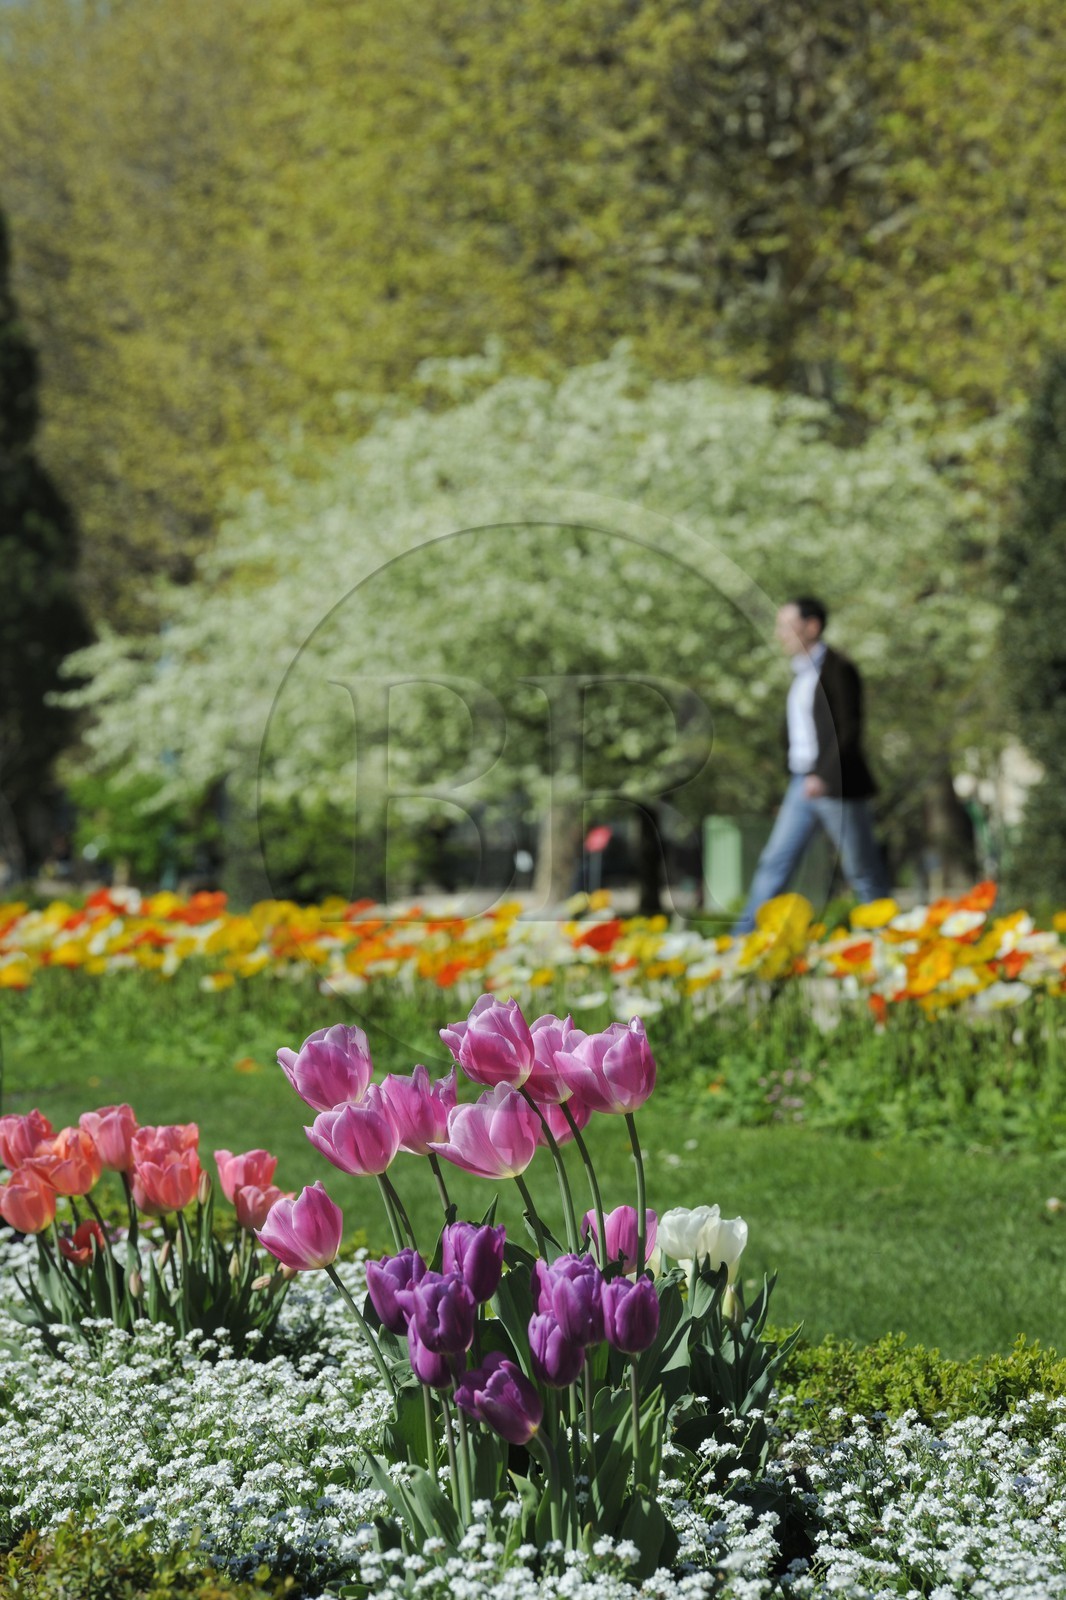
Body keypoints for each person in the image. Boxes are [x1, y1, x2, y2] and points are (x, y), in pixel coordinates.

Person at [733, 597, 889, 935]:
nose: (779, 635)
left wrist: (823, 775)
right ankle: (740, 944)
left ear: (812, 626)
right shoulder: (800, 674)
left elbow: (848, 729)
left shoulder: (838, 669)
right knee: (774, 864)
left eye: (786, 626)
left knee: (862, 869)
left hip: (835, 785)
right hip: (801, 784)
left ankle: (889, 944)